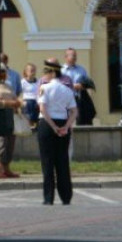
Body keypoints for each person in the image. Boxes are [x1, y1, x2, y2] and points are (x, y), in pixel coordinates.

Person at [37, 59, 77, 206]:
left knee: (47, 163)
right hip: (62, 122)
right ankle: (66, 196)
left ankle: (48, 198)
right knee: (62, 162)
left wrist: (53, 127)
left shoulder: (45, 88)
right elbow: (74, 111)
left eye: (47, 72)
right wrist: (66, 126)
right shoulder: (66, 89)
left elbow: (42, 109)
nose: (45, 75)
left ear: (53, 72)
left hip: (47, 125)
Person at [0, 82, 21, 179]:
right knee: (2, 143)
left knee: (10, 143)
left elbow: (17, 102)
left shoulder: (9, 86)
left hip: (11, 116)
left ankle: (7, 168)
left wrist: (4, 103)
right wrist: (10, 103)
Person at [63, 47, 96, 125]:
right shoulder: (61, 70)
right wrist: (73, 86)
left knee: (81, 120)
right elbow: (59, 85)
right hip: (65, 99)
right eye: (72, 55)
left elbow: (86, 83)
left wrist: (83, 85)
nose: (74, 57)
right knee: (65, 121)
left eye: (75, 55)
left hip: (79, 99)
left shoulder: (81, 69)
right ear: (66, 57)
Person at [21, 62, 40, 129]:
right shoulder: (23, 82)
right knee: (28, 104)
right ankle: (28, 124)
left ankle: (36, 124)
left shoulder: (38, 81)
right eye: (31, 71)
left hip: (36, 102)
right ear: (26, 72)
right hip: (27, 102)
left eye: (34, 70)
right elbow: (19, 93)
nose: (33, 72)